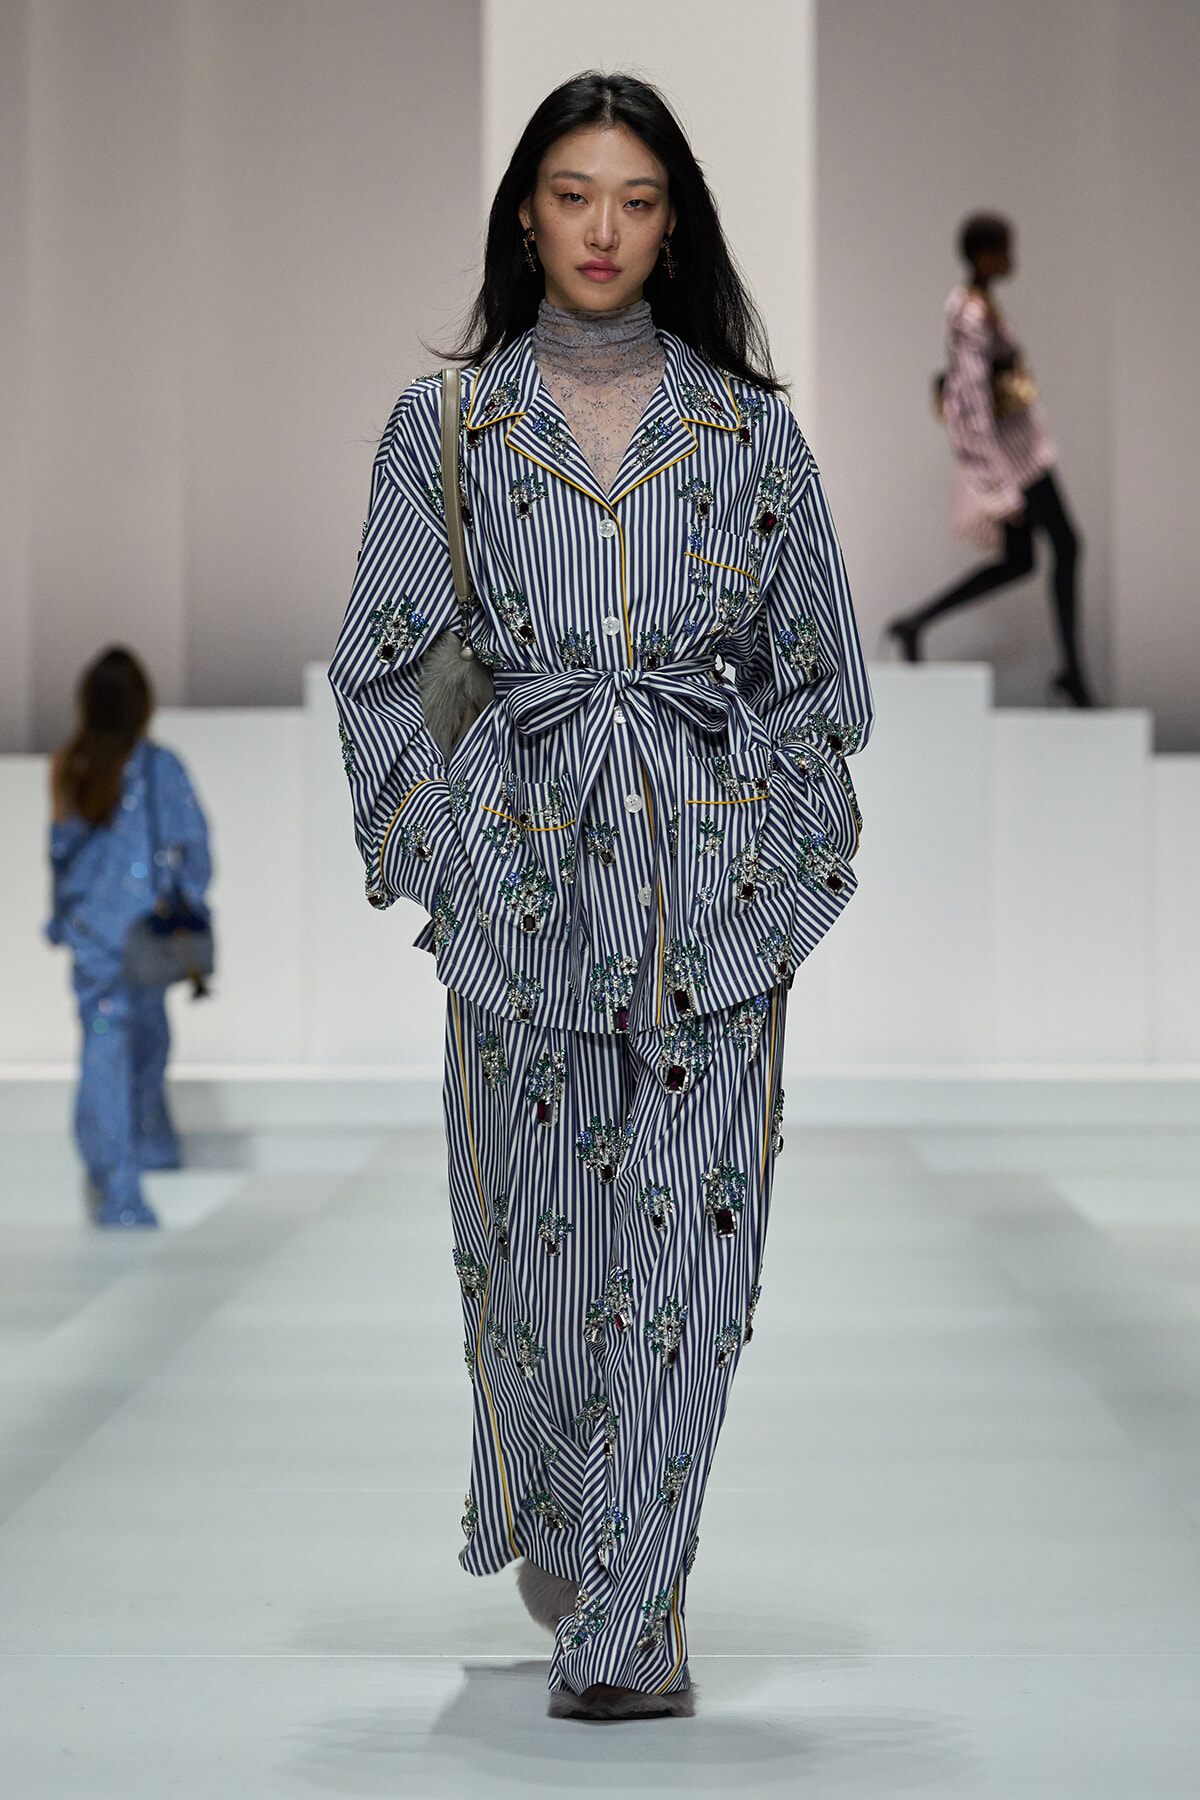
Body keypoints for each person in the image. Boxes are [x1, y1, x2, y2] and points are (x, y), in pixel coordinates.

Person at [330, 72, 872, 1720]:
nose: (603, 230)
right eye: (575, 195)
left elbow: (822, 682)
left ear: (674, 225)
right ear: (526, 212)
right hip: (522, 909)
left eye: (636, 201)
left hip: (715, 914)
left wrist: (785, 875)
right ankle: (580, 1531)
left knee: (694, 1278)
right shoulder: (447, 433)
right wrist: (442, 861)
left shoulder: (749, 431)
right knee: (540, 1287)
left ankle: (634, 1623)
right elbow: (377, 668)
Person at [887, 213, 1094, 705]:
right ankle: (1075, 677)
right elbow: (971, 401)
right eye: (1004, 248)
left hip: (1019, 454)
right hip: (1018, 463)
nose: (1010, 258)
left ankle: (915, 623)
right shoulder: (970, 314)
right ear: (984, 253)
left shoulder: (979, 307)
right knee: (1065, 547)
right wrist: (999, 485)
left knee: (1022, 561)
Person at [46, 647, 211, 1228]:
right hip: (148, 933)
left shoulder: (73, 765)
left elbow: (61, 854)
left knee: (107, 1047)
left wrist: (61, 918)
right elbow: (194, 847)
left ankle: (120, 1168)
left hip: (95, 934)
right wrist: (190, 898)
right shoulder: (160, 766)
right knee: (139, 1040)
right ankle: (131, 1168)